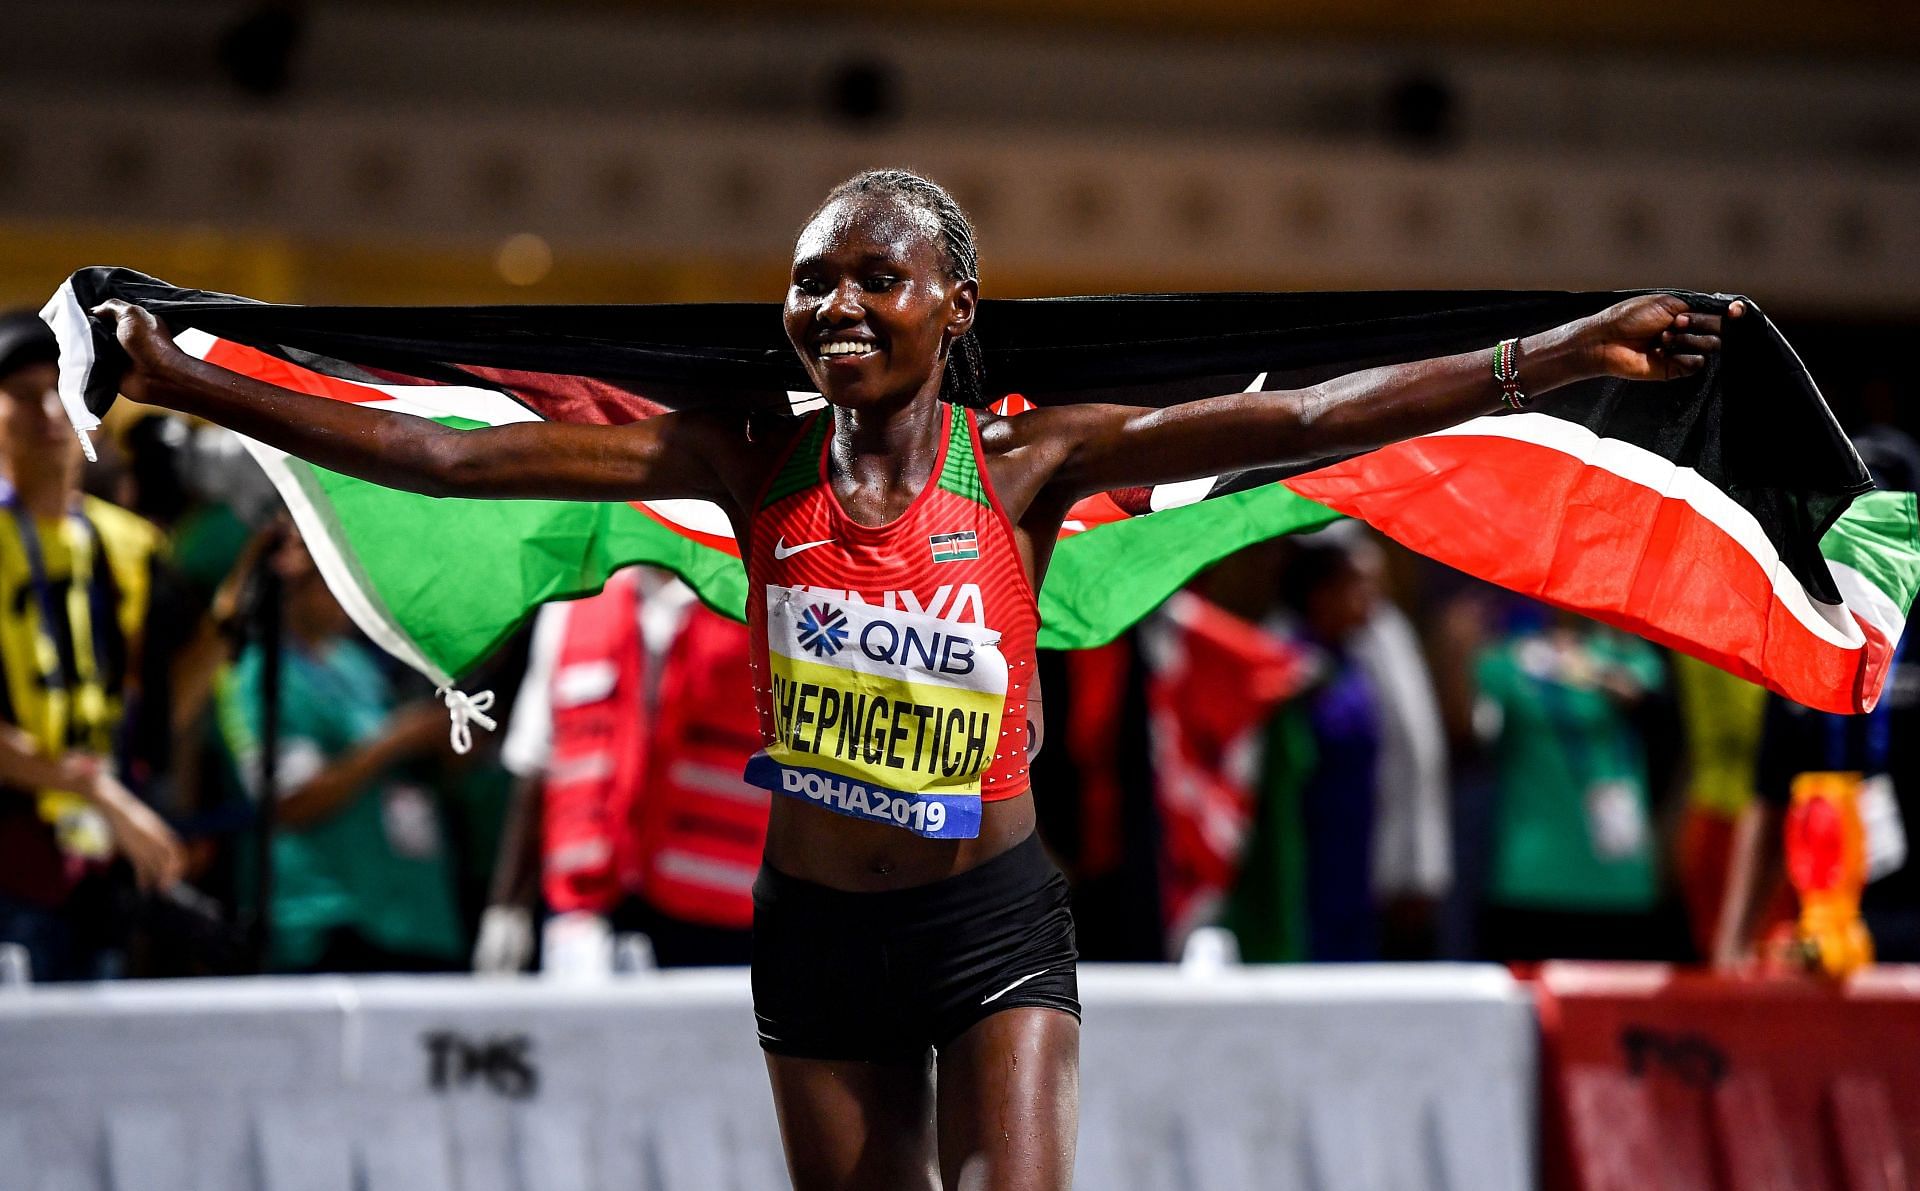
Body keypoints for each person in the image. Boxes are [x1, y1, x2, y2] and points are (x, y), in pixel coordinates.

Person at [94, 168, 1735, 1189]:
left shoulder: (1024, 464)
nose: (837, 304)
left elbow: (1303, 418)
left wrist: (1559, 354)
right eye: (813, 280)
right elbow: (436, 460)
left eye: (876, 275)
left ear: (954, 305)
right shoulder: (739, 460)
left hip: (990, 922)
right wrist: (187, 382)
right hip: (816, 934)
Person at [0, 312, 184, 981]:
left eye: (64, 389)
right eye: (22, 393)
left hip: (99, 869)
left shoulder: (132, 545)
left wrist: (236, 617)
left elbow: (158, 711)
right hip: (18, 857)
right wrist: (103, 795)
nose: (48, 411)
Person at [213, 524, 467, 972]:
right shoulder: (260, 673)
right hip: (329, 922)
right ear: (295, 584)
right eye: (337, 579)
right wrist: (394, 741)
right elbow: (289, 799)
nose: (353, 593)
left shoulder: (353, 664)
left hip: (409, 917)